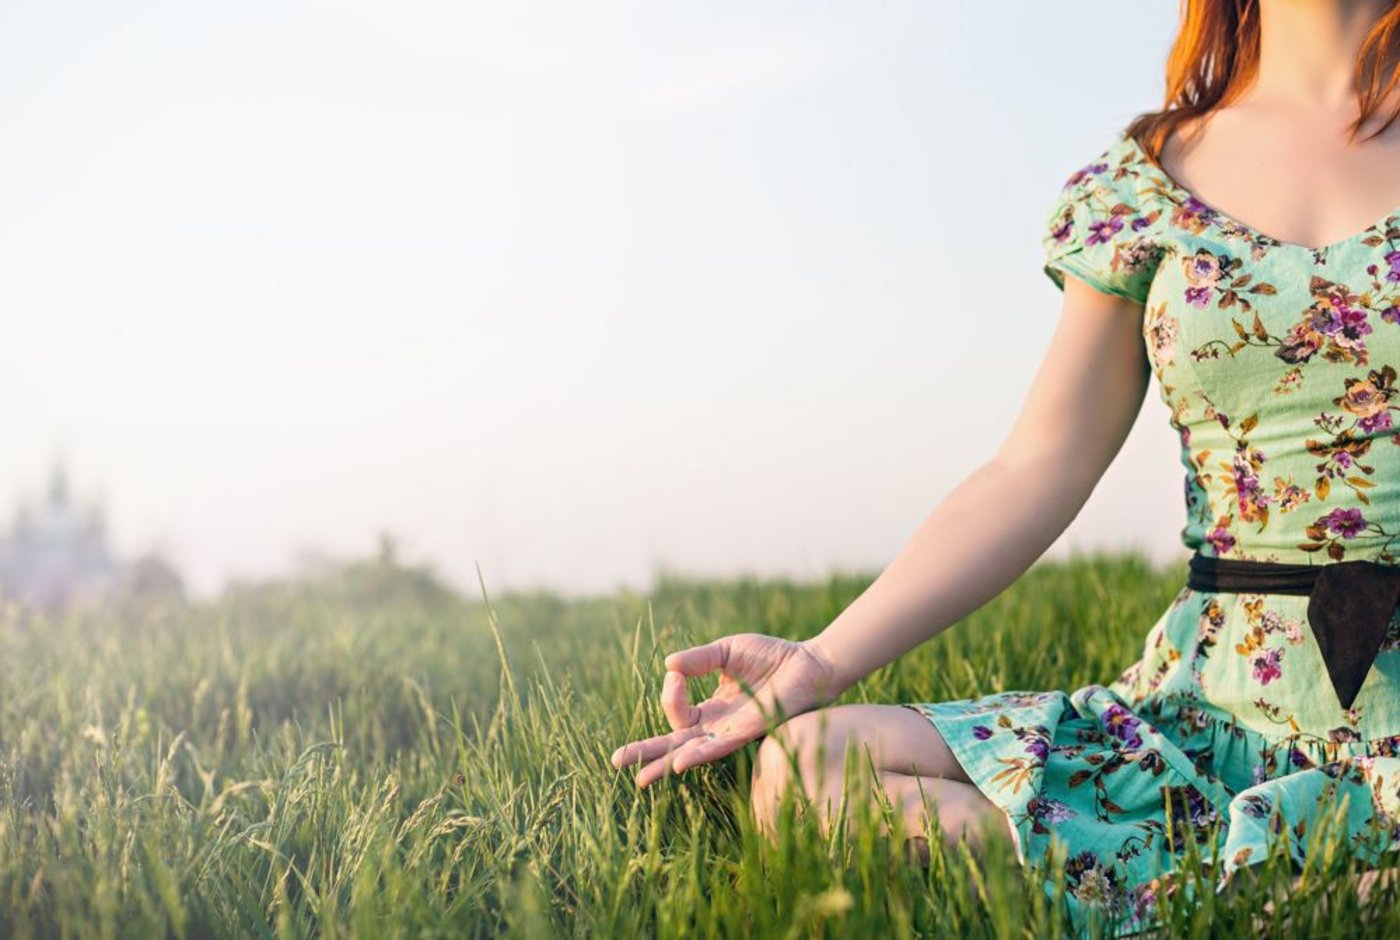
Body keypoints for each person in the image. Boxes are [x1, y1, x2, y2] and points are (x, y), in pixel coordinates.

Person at [611, 0, 1400, 932]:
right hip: (1210, 701)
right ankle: (1240, 896)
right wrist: (821, 660)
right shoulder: (1147, 180)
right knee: (812, 771)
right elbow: (1036, 467)